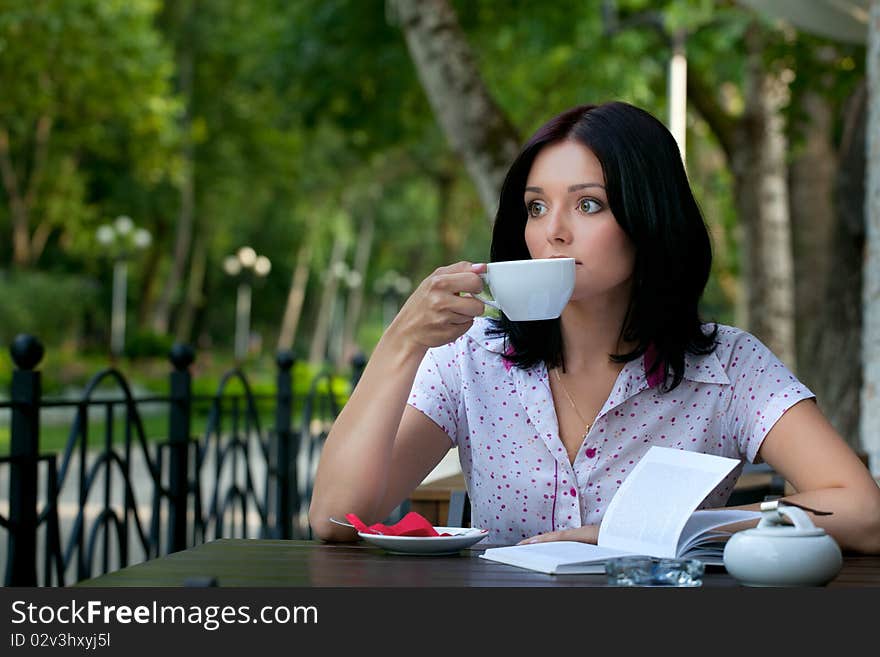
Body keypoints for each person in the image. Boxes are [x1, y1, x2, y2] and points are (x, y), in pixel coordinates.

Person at [309, 101, 880, 552]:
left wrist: (666, 527)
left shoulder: (728, 367)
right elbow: (335, 519)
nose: (552, 231)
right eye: (536, 207)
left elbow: (862, 512)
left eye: (587, 205)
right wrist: (402, 340)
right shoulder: (469, 360)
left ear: (648, 216)